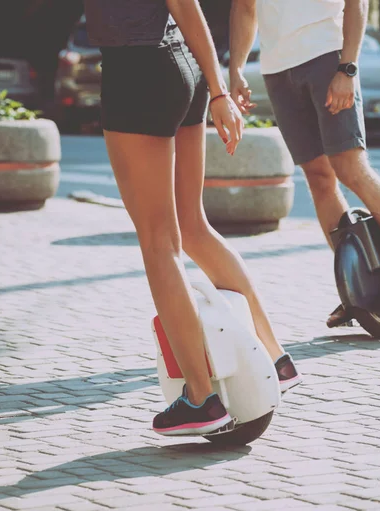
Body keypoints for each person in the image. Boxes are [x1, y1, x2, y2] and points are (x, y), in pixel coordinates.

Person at [83, 0, 301, 437]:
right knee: (192, 227)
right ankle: (274, 357)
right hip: (182, 61)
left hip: (138, 67)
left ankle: (201, 399)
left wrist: (221, 91)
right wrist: (215, 82)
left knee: (159, 242)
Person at [229, 0, 380, 328]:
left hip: (327, 56)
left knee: (351, 167)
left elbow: (357, 3)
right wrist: (237, 68)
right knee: (318, 177)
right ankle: (357, 287)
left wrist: (348, 67)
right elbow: (244, 7)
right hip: (276, 69)